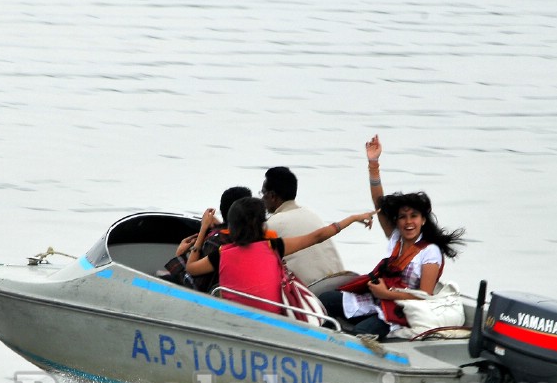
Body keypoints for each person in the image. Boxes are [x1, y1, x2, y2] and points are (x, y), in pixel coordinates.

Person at [318, 134, 465, 338]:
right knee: (325, 299)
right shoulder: (396, 237)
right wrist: (373, 163)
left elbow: (424, 297)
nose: (408, 222)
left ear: (423, 220)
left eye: (414, 216)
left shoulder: (430, 252)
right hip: (380, 299)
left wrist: (387, 294)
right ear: (397, 221)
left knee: (362, 333)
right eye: (403, 217)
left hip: (404, 311)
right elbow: (379, 204)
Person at [184, 197, 375, 314]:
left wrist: (202, 231)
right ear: (262, 225)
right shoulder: (274, 246)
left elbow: (191, 268)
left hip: (236, 319)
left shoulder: (221, 254)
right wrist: (352, 218)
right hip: (274, 319)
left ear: (231, 226)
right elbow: (318, 236)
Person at [260, 166, 345, 285]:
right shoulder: (312, 215)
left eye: (263, 193)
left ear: (272, 196)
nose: (262, 198)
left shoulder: (272, 224)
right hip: (342, 283)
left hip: (313, 293)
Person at [167, 186, 255, 291]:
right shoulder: (253, 238)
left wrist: (180, 256)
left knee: (161, 277)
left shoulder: (217, 243)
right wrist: (220, 226)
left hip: (205, 296)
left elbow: (195, 286)